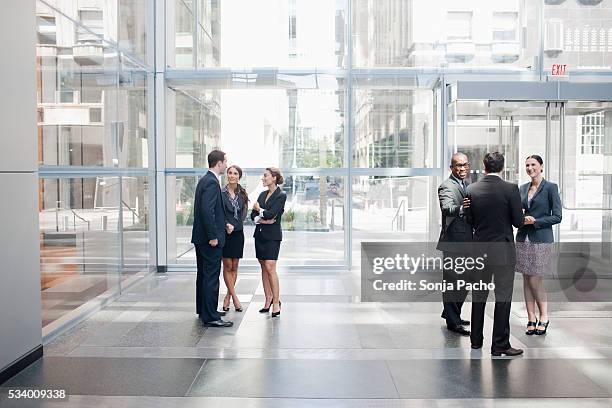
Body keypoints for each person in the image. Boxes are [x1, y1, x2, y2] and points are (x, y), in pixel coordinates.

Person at [466, 152, 524, 356]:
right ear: (502, 167)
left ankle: (475, 341)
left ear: (484, 167)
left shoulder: (471, 189)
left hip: (479, 250)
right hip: (503, 251)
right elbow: (518, 221)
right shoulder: (510, 189)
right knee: (503, 297)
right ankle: (499, 344)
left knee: (479, 295)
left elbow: (470, 221)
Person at [516, 155, 562, 336]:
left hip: (541, 239)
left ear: (541, 166)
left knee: (535, 279)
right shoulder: (522, 189)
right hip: (523, 238)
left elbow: (557, 216)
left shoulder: (550, 188)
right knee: (527, 280)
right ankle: (531, 318)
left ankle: (544, 316)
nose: (529, 168)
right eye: (527, 165)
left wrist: (536, 221)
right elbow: (517, 211)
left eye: (533, 165)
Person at [191, 150, 233, 328]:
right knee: (210, 276)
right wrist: (213, 236)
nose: (226, 165)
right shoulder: (210, 182)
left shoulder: (205, 180)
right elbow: (208, 211)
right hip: (209, 240)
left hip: (202, 238)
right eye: (225, 162)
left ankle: (205, 310)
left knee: (203, 275)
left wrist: (223, 225)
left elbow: (210, 211)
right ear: (219, 163)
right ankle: (211, 316)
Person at [436, 152, 473, 336]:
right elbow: (446, 208)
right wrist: (461, 208)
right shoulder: (446, 186)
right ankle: (453, 321)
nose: (463, 168)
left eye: (465, 165)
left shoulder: (465, 185)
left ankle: (452, 313)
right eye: (458, 165)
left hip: (466, 243)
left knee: (465, 282)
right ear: (451, 167)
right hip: (453, 243)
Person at [251, 167, 287, 318]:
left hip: (273, 236)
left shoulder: (281, 195)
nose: (263, 178)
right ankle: (268, 299)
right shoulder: (262, 194)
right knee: (263, 268)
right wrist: (262, 219)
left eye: (265, 176)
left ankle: (277, 303)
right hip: (260, 235)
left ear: (274, 177)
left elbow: (272, 214)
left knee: (270, 266)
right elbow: (253, 215)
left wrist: (260, 210)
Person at [221, 165, 248, 313]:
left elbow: (244, 214)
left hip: (238, 233)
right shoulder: (221, 193)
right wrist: (226, 224)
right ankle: (235, 299)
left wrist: (235, 225)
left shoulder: (243, 193)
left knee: (235, 266)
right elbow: (219, 212)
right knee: (227, 266)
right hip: (225, 233)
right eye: (230, 173)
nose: (232, 175)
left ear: (239, 176)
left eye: (235, 173)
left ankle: (227, 297)